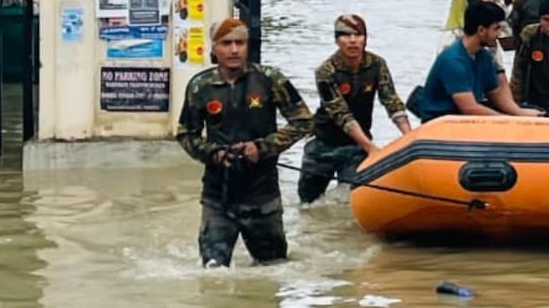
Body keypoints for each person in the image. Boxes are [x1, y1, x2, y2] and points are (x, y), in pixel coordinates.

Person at [175, 19, 312, 267]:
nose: (234, 50)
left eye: (240, 43)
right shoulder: (200, 86)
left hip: (262, 194)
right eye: (227, 43)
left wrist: (262, 148)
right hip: (218, 195)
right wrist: (213, 154)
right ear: (214, 48)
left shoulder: (270, 79)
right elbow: (186, 134)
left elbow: (303, 122)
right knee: (213, 272)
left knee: (273, 270)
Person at [298, 15, 412, 204]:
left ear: (365, 38)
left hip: (356, 147)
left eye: (358, 35)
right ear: (336, 40)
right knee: (308, 204)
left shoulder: (377, 65)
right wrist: (371, 148)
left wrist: (409, 137)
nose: (352, 41)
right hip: (324, 144)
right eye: (346, 35)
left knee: (350, 202)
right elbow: (341, 114)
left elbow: (391, 101)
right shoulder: (325, 72)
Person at [415, 1, 543, 122]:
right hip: (441, 121)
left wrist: (520, 113)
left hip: (463, 120)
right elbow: (469, 108)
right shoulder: (454, 61)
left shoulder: (483, 56)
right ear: (481, 30)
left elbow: (496, 93)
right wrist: (507, 120)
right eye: (496, 28)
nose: (499, 34)